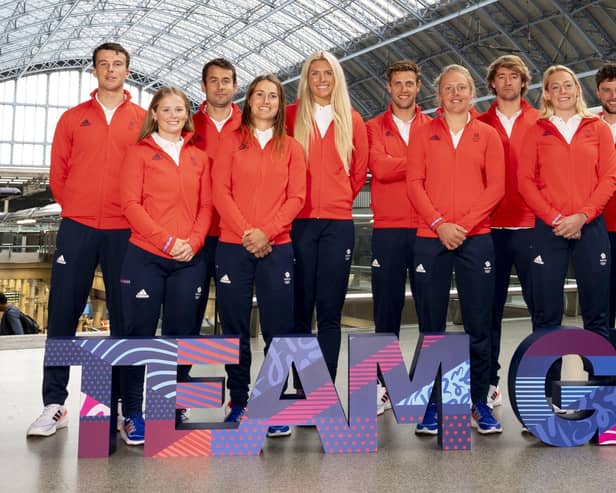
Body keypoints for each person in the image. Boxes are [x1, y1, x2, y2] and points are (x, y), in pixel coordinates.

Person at [27, 43, 146, 437]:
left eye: (118, 64)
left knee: (126, 321)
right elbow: (58, 175)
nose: (110, 70)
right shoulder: (72, 119)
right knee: (62, 313)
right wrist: (77, 207)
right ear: (94, 71)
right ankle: (54, 404)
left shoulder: (143, 120)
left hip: (125, 230)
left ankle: (128, 409)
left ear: (128, 70)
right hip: (78, 228)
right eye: (104, 65)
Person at [407, 64, 505, 434]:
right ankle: (433, 405)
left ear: (472, 92)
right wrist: (439, 224)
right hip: (431, 238)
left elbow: (495, 188)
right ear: (438, 95)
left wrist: (462, 226)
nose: (456, 94)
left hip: (475, 238)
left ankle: (478, 401)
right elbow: (414, 184)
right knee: (432, 328)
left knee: (478, 325)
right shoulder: (422, 134)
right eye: (448, 88)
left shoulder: (488, 136)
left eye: (462, 87)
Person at [213, 74, 306, 437]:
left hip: (276, 246)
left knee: (278, 329)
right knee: (234, 329)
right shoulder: (230, 144)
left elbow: (296, 197)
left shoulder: (293, 148)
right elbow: (221, 192)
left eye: (274, 96)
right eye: (260, 95)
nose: (266, 101)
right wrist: (247, 233)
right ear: (248, 100)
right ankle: (238, 400)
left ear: (281, 104)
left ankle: (272, 402)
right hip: (233, 246)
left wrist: (266, 232)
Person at [119, 86, 212, 445]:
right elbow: (130, 204)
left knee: (182, 335)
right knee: (139, 337)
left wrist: (194, 242)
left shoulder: (199, 158)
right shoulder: (138, 154)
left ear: (187, 114)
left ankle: (174, 404)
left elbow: (206, 206)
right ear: (154, 113)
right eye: (167, 109)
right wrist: (167, 241)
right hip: (146, 256)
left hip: (189, 259)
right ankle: (133, 413)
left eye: (180, 109)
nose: (174, 115)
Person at [518, 65, 616, 401]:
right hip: (549, 229)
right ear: (546, 92)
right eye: (555, 86)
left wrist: (583, 216)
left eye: (569, 85)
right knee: (546, 315)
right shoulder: (536, 130)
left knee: (598, 314)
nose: (563, 91)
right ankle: (543, 400)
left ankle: (604, 402)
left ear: (577, 90)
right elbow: (525, 182)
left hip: (591, 228)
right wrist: (556, 217)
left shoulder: (597, 129)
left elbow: (608, 178)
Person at [286, 51, 368, 388]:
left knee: (330, 312)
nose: (321, 79)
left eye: (328, 73)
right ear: (306, 79)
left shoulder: (352, 119)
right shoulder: (291, 117)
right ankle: (302, 387)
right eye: (315, 73)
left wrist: (337, 202)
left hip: (337, 226)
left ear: (337, 78)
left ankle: (323, 391)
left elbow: (358, 171)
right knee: (299, 310)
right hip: (298, 223)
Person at [366, 60, 431, 415]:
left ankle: (422, 383)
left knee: (428, 310)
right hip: (388, 229)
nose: (404, 89)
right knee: (385, 311)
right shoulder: (373, 127)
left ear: (418, 86)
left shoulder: (433, 126)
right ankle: (381, 385)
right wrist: (420, 161)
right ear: (388, 88)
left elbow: (399, 166)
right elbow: (380, 167)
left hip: (425, 228)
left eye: (410, 83)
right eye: (398, 84)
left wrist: (401, 161)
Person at [478, 55, 539, 408]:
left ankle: (543, 388)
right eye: (500, 77)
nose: (507, 82)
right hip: (490, 228)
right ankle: (488, 384)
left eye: (513, 76)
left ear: (522, 82)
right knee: (489, 313)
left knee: (541, 311)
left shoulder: (540, 121)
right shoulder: (479, 123)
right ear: (492, 84)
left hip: (531, 228)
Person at [192, 58, 242, 331]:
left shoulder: (249, 126)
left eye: (226, 81)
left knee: (233, 318)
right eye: (214, 81)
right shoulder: (186, 125)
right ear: (203, 86)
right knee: (188, 315)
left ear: (235, 86)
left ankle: (237, 375)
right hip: (196, 235)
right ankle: (180, 373)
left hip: (234, 236)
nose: (220, 87)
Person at [595, 64, 616, 329]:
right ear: (598, 92)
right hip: (598, 229)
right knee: (602, 306)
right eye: (607, 90)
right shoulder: (589, 127)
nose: (613, 95)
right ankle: (605, 371)